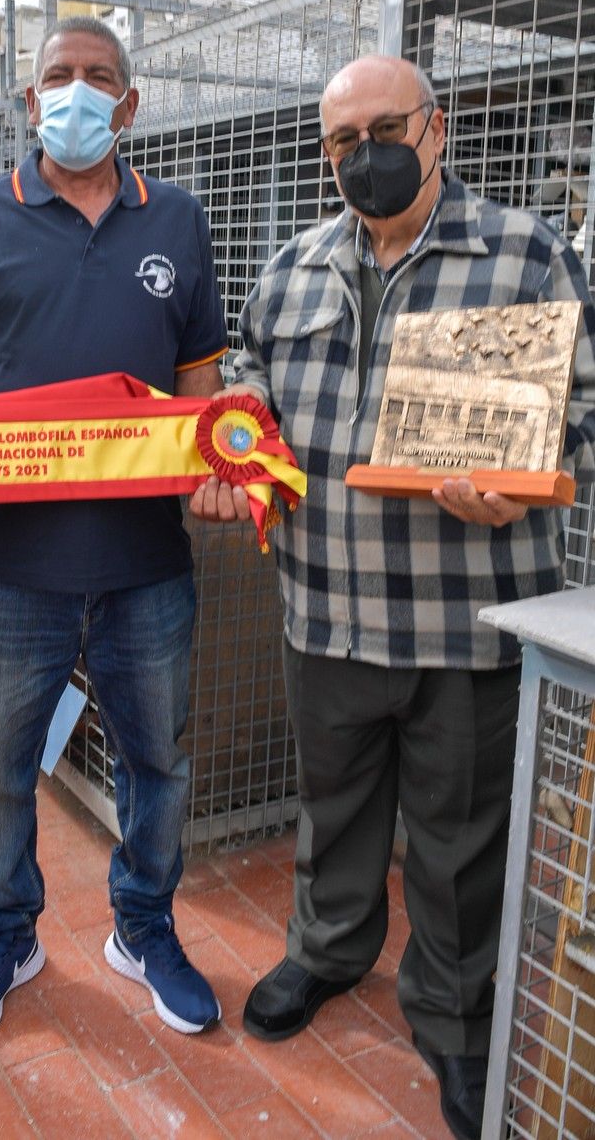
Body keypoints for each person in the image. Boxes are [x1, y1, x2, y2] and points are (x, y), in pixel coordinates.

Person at [191, 55, 595, 1140]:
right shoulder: (293, 265)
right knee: (336, 809)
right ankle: (325, 954)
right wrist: (239, 449)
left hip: (469, 612)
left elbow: (583, 411)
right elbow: (254, 379)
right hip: (325, 605)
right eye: (338, 139)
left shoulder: (523, 252)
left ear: (435, 129)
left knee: (460, 840)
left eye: (382, 128)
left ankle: (456, 1021)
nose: (360, 153)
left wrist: (523, 480)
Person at [0, 16, 229, 1042]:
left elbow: (202, 394)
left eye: (100, 77)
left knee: (160, 764)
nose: (79, 92)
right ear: (29, 101)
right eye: (59, 76)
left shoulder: (176, 221)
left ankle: (142, 925)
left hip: (149, 562)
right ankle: (7, 931)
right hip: (14, 563)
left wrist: (221, 472)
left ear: (130, 105)